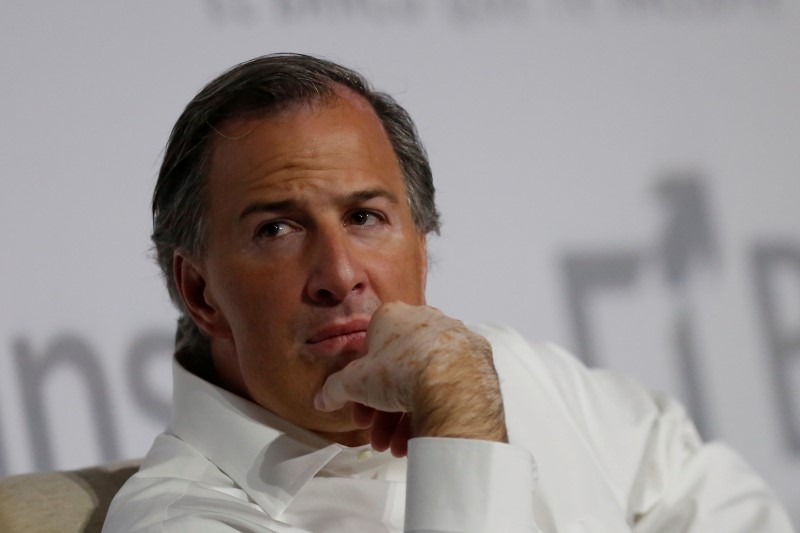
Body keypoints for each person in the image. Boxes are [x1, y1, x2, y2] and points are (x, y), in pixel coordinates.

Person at [103, 53, 794, 532]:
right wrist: (463, 432)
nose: (340, 274)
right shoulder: (182, 518)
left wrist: (465, 397)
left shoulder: (500, 369)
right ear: (200, 292)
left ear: (422, 243)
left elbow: (706, 493)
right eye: (278, 228)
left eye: (366, 216)